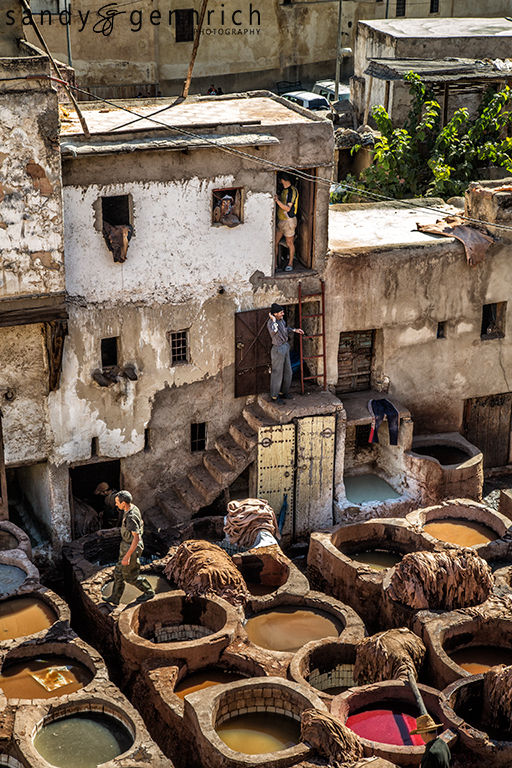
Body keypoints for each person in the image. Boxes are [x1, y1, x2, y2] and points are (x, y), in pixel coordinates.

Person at [103, 490, 155, 606]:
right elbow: (141, 522)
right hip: (126, 545)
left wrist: (127, 556)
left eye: (117, 502)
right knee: (118, 573)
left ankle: (149, 592)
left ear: (123, 503)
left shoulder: (131, 517)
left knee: (131, 576)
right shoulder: (132, 508)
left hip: (131, 547)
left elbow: (136, 538)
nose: (116, 504)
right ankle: (115, 597)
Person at [267, 302, 304, 404]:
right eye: (280, 312)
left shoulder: (281, 320)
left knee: (288, 372)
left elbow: (284, 329)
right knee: (277, 373)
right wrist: (273, 320)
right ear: (275, 314)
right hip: (278, 349)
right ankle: (274, 396)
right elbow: (274, 331)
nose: (283, 314)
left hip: (285, 346)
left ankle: (283, 392)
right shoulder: (271, 323)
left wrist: (294, 330)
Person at [274, 173, 299, 272]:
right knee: (275, 242)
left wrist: (277, 201)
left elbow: (288, 208)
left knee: (289, 242)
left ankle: (290, 263)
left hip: (288, 221)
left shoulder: (292, 191)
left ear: (282, 180)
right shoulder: (284, 191)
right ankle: (275, 264)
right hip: (281, 221)